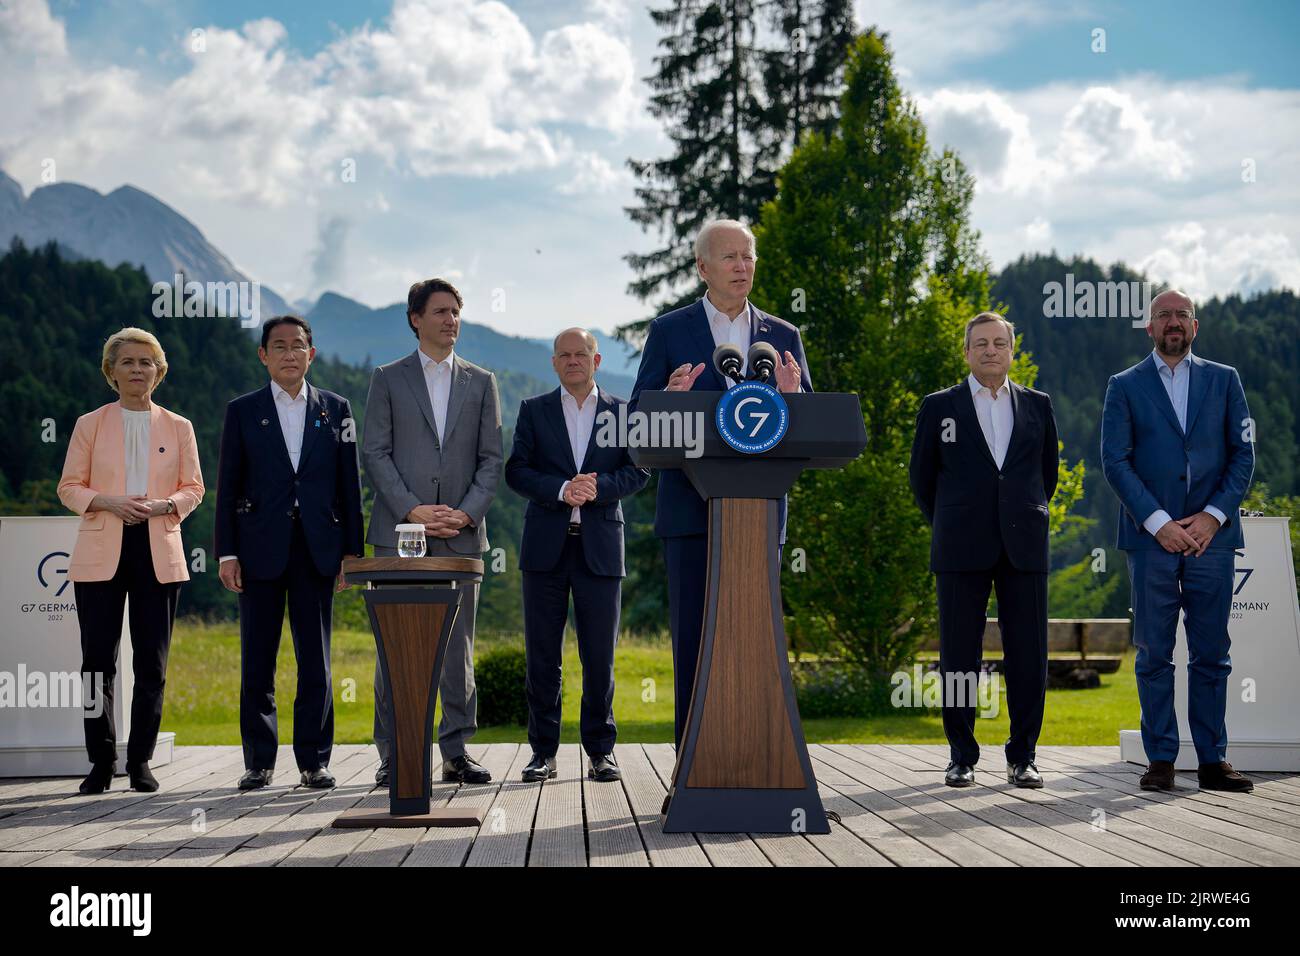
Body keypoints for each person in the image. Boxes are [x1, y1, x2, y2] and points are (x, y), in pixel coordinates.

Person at [629, 219, 810, 748]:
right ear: (703, 268)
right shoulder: (669, 331)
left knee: (755, 639)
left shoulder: (782, 336)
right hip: (689, 514)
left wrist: (793, 395)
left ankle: (758, 758)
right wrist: (667, 397)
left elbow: (811, 425)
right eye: (729, 257)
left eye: (749, 256)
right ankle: (691, 765)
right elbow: (638, 419)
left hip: (759, 514)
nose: (742, 266)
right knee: (695, 640)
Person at [1101, 289, 1255, 793]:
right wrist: (1159, 522)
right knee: (1153, 654)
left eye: (1182, 315)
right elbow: (1115, 462)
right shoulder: (1123, 385)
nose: (1173, 322)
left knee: (1212, 653)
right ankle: (1161, 758)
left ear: (1195, 326)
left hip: (1213, 539)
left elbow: (1242, 456)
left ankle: (1213, 760)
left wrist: (1211, 518)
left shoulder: (1225, 380)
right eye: (1163, 315)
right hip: (1152, 542)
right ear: (1149, 327)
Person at [908, 312, 1059, 789]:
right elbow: (921, 479)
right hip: (959, 546)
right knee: (958, 656)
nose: (990, 350)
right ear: (967, 352)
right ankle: (961, 757)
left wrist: (1018, 515)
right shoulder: (939, 407)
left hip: (1024, 546)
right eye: (981, 344)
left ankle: (1024, 757)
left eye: (999, 343)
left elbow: (1046, 475)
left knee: (1029, 655)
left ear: (1012, 351)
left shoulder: (1038, 405)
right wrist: (954, 521)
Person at [362, 278, 503, 785]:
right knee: (394, 646)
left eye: (456, 311)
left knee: (458, 648)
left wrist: (464, 514)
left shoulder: (482, 381)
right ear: (415, 318)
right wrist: (413, 510)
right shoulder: (387, 378)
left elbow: (491, 460)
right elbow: (374, 452)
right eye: (441, 311)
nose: (451, 320)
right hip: (399, 534)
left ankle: (456, 751)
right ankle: (394, 754)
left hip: (462, 537)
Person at [215, 315, 364, 791]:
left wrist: (352, 553)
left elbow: (350, 486)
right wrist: (226, 553)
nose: (289, 354)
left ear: (311, 354)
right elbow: (227, 486)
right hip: (258, 549)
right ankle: (258, 762)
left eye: (298, 345)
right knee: (257, 658)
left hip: (318, 550)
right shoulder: (242, 410)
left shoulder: (336, 409)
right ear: (263, 355)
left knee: (315, 661)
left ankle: (314, 761)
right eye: (278, 346)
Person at [57, 328, 204, 795]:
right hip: (102, 551)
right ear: (111, 372)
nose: (138, 370)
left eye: (147, 362)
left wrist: (164, 505)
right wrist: (108, 501)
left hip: (158, 550)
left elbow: (194, 488)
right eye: (128, 362)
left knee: (152, 664)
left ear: (159, 373)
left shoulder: (179, 426)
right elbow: (68, 487)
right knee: (96, 664)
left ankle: (140, 760)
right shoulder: (90, 423)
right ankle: (100, 762)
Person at [505, 328, 649, 782]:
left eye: (580, 353)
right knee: (543, 657)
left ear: (596, 358)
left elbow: (638, 469)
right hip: (545, 550)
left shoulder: (623, 412)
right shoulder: (533, 411)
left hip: (601, 550)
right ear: (553, 363)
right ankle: (542, 753)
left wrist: (597, 488)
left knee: (599, 657)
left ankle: (601, 751)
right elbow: (517, 471)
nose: (572, 361)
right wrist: (562, 489)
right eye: (564, 355)